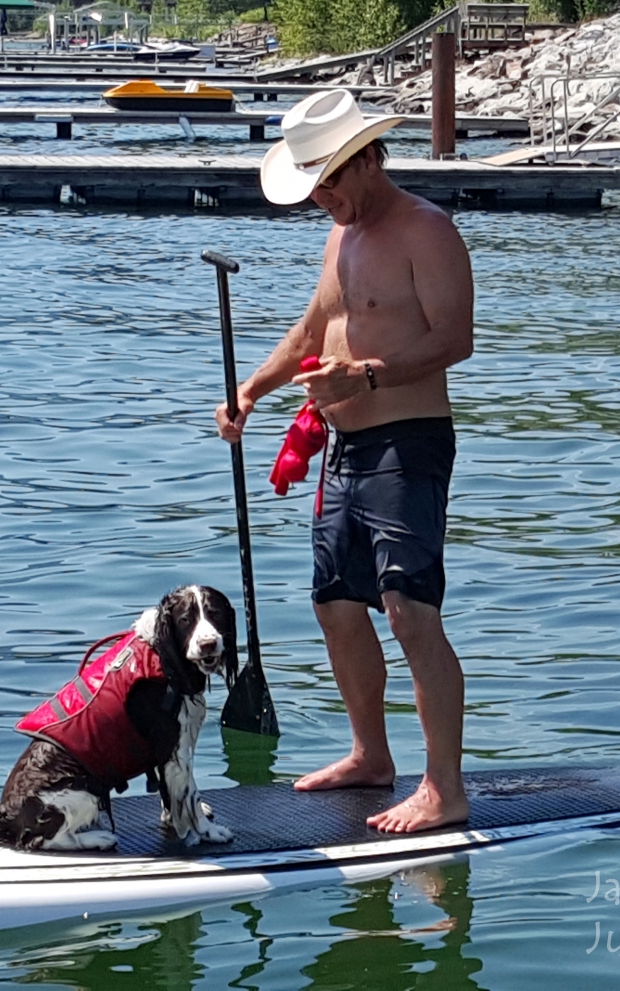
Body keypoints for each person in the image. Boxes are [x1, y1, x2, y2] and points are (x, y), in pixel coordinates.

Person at [214, 89, 475, 833]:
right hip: (346, 449)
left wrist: (365, 376)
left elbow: (455, 338)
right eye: (312, 183)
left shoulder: (427, 230)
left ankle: (444, 787)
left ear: (365, 159)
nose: (320, 197)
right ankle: (371, 755)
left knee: (408, 609)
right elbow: (313, 328)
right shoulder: (341, 237)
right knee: (334, 603)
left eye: (328, 179)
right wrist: (253, 388)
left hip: (408, 442)